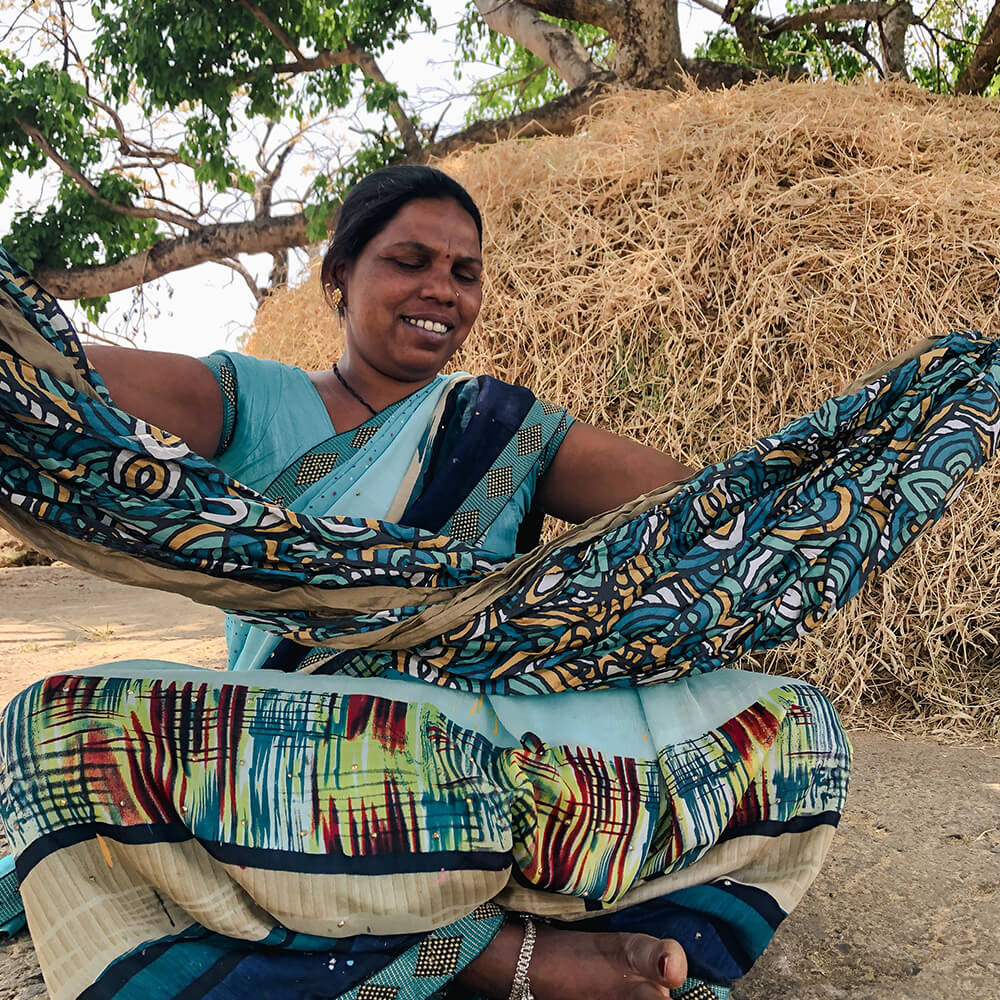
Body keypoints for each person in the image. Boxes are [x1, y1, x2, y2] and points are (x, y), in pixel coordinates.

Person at [0, 166, 861, 1000]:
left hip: (489, 760)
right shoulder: (252, 399)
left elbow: (698, 508)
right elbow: (61, 375)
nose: (442, 289)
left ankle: (424, 909)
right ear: (340, 277)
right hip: (322, 762)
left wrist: (850, 474)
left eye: (465, 272)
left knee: (797, 727)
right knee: (57, 726)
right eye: (409, 261)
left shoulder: (505, 427)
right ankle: (505, 953)